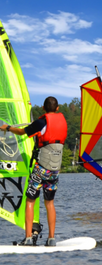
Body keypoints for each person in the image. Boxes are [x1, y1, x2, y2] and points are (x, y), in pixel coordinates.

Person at [0, 96, 68, 246]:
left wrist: (8, 128)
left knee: (30, 200)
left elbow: (21, 131)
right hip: (55, 170)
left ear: (43, 108)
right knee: (50, 202)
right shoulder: (63, 122)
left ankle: (28, 238)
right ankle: (51, 239)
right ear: (57, 109)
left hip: (41, 168)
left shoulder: (40, 122)